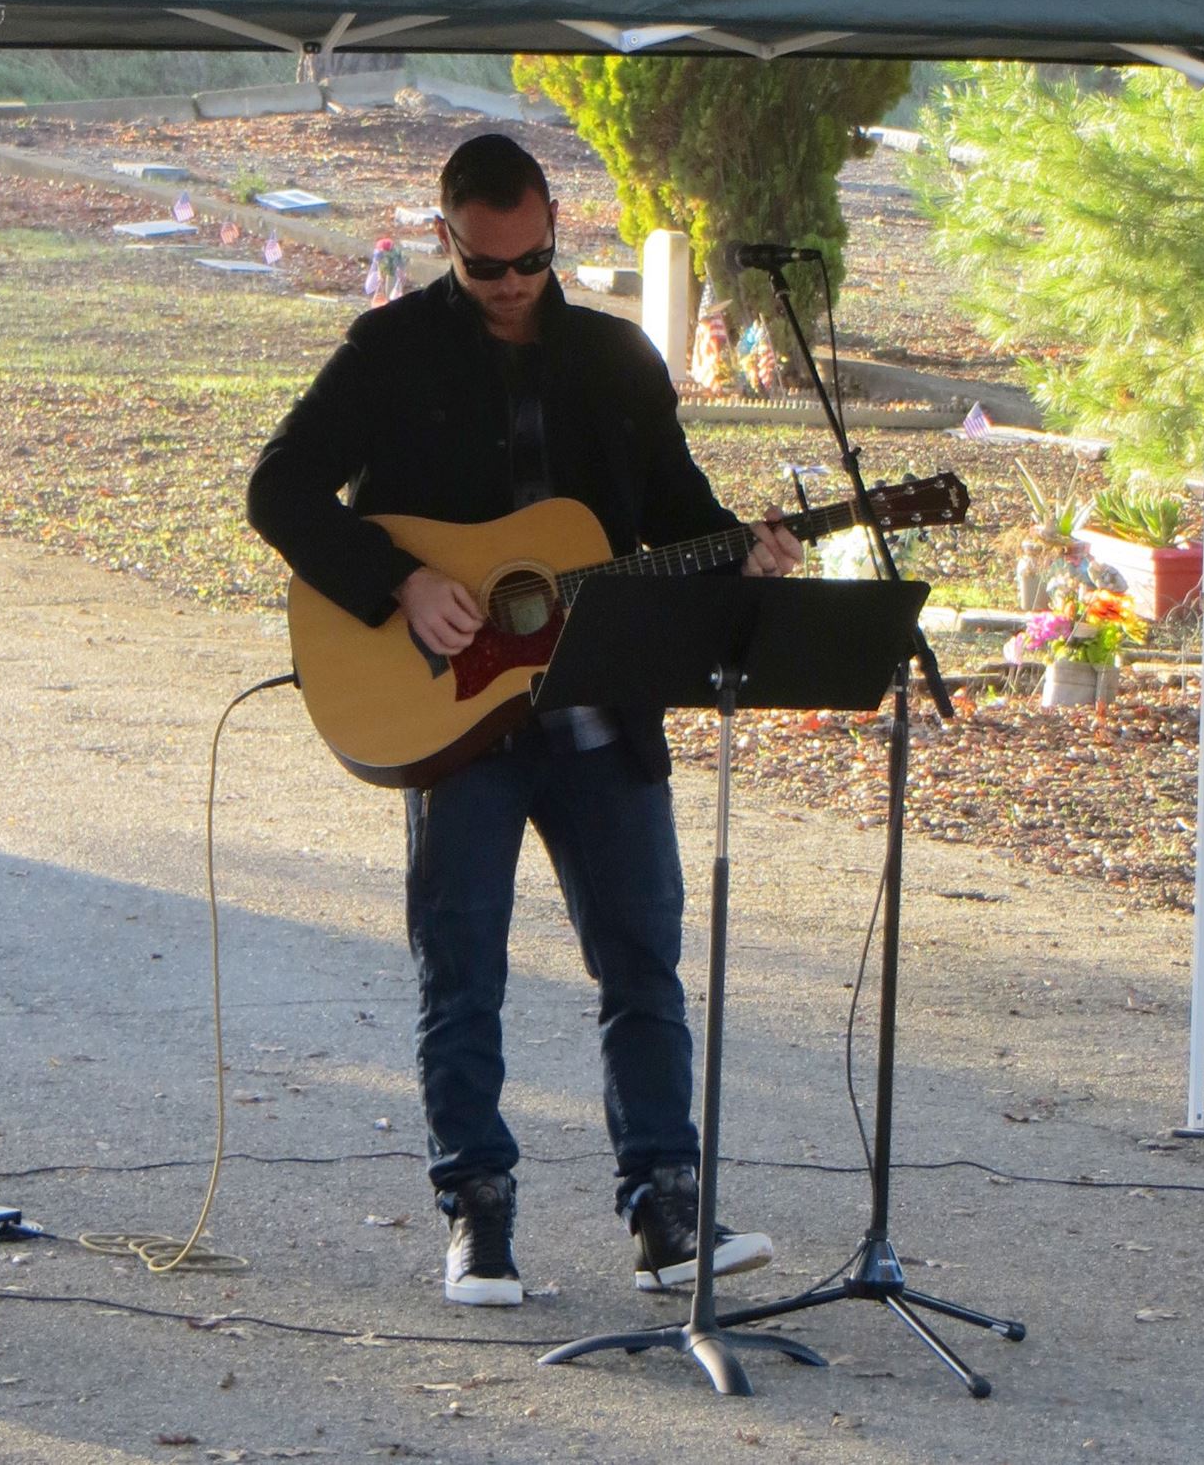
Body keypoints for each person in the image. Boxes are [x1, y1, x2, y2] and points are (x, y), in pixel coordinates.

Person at [247, 131, 801, 1307]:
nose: (510, 284)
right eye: (487, 264)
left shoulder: (613, 358)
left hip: (600, 713)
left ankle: (664, 1209)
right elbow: (279, 485)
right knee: (463, 968)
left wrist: (741, 556)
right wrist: (397, 579)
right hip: (454, 717)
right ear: (445, 235)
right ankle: (478, 1217)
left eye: (532, 259)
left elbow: (676, 513)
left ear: (556, 224)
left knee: (642, 959)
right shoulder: (386, 351)